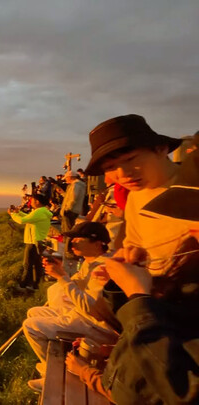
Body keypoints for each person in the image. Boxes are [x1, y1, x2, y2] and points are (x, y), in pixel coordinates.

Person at [66, 150, 199, 404]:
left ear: (160, 149)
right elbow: (172, 338)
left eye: (193, 214)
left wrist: (138, 298)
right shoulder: (190, 266)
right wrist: (125, 282)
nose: (188, 228)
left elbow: (184, 391)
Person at [23, 221, 120, 391]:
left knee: (31, 327)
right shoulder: (91, 261)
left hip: (99, 328)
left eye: (77, 239)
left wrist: (62, 277)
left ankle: (55, 378)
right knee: (34, 312)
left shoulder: (104, 268)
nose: (72, 242)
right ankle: (54, 366)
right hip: (84, 318)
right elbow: (80, 284)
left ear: (98, 243)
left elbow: (90, 308)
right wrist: (62, 272)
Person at [84, 114, 185, 276]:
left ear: (161, 149)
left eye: (130, 159)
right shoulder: (135, 197)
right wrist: (126, 261)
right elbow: (133, 243)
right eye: (110, 167)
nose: (123, 174)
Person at [8, 193, 53, 290]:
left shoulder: (39, 212)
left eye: (32, 200)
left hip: (33, 241)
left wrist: (13, 214)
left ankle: (24, 285)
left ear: (37, 202)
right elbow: (29, 218)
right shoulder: (41, 211)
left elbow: (22, 220)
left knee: (27, 264)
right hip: (38, 240)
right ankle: (36, 285)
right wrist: (18, 212)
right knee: (37, 264)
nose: (30, 202)